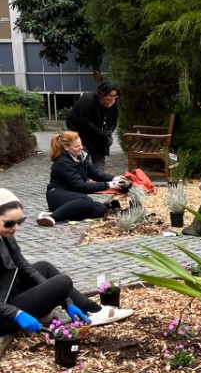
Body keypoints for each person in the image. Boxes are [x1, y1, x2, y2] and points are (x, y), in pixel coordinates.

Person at [0, 188, 132, 332]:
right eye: (9, 223)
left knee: (44, 267)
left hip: (8, 294)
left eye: (20, 221)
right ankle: (91, 311)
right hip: (4, 315)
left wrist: (66, 301)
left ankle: (93, 310)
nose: (16, 228)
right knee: (63, 282)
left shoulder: (5, 235)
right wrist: (17, 314)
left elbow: (24, 267)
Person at [37, 131, 131, 227]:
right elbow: (81, 186)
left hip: (75, 197)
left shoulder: (80, 158)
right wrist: (109, 185)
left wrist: (115, 178)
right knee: (86, 201)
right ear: (66, 147)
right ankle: (51, 217)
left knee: (100, 209)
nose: (81, 148)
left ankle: (64, 213)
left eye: (81, 144)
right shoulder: (63, 163)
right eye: (77, 146)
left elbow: (96, 174)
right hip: (57, 195)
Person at [65, 81, 120, 171]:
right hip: (80, 131)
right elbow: (85, 121)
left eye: (115, 96)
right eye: (110, 96)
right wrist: (101, 133)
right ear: (102, 93)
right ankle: (84, 180)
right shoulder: (88, 100)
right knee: (83, 158)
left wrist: (108, 133)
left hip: (98, 134)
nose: (112, 99)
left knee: (99, 159)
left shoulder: (113, 104)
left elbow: (113, 122)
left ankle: (100, 179)